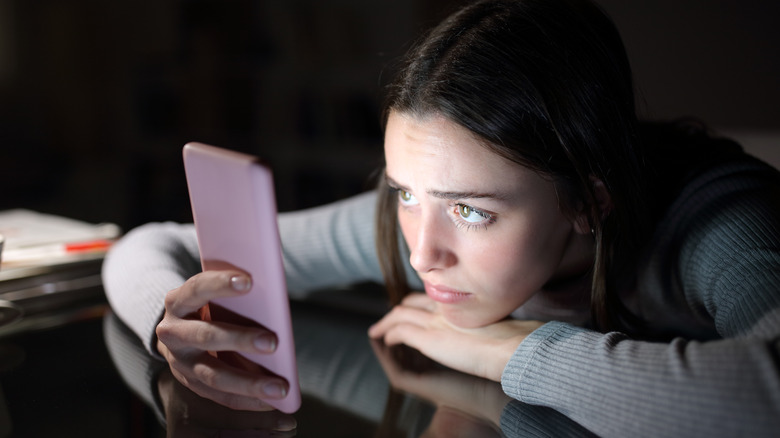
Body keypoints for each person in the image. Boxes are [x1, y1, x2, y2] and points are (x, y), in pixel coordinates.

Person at [102, 0, 780, 436]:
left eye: (468, 210)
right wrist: (168, 319)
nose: (424, 253)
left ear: (587, 202)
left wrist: (506, 350)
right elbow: (152, 245)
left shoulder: (721, 221)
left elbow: (765, 396)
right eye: (403, 192)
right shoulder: (419, 222)